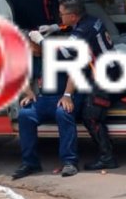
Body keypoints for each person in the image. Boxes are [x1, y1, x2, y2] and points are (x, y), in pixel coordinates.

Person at [58, 0, 123, 171]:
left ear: (73, 16)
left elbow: (63, 53)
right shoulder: (92, 20)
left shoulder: (83, 30)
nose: (60, 17)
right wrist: (56, 27)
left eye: (62, 14)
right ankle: (107, 148)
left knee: (90, 115)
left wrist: (40, 41)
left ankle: (107, 157)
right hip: (112, 71)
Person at [12, 22, 82, 180]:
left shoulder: (56, 54)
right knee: (25, 115)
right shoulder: (31, 59)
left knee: (63, 112)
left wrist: (67, 95)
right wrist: (29, 93)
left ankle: (69, 162)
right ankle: (30, 163)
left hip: (64, 96)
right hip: (44, 99)